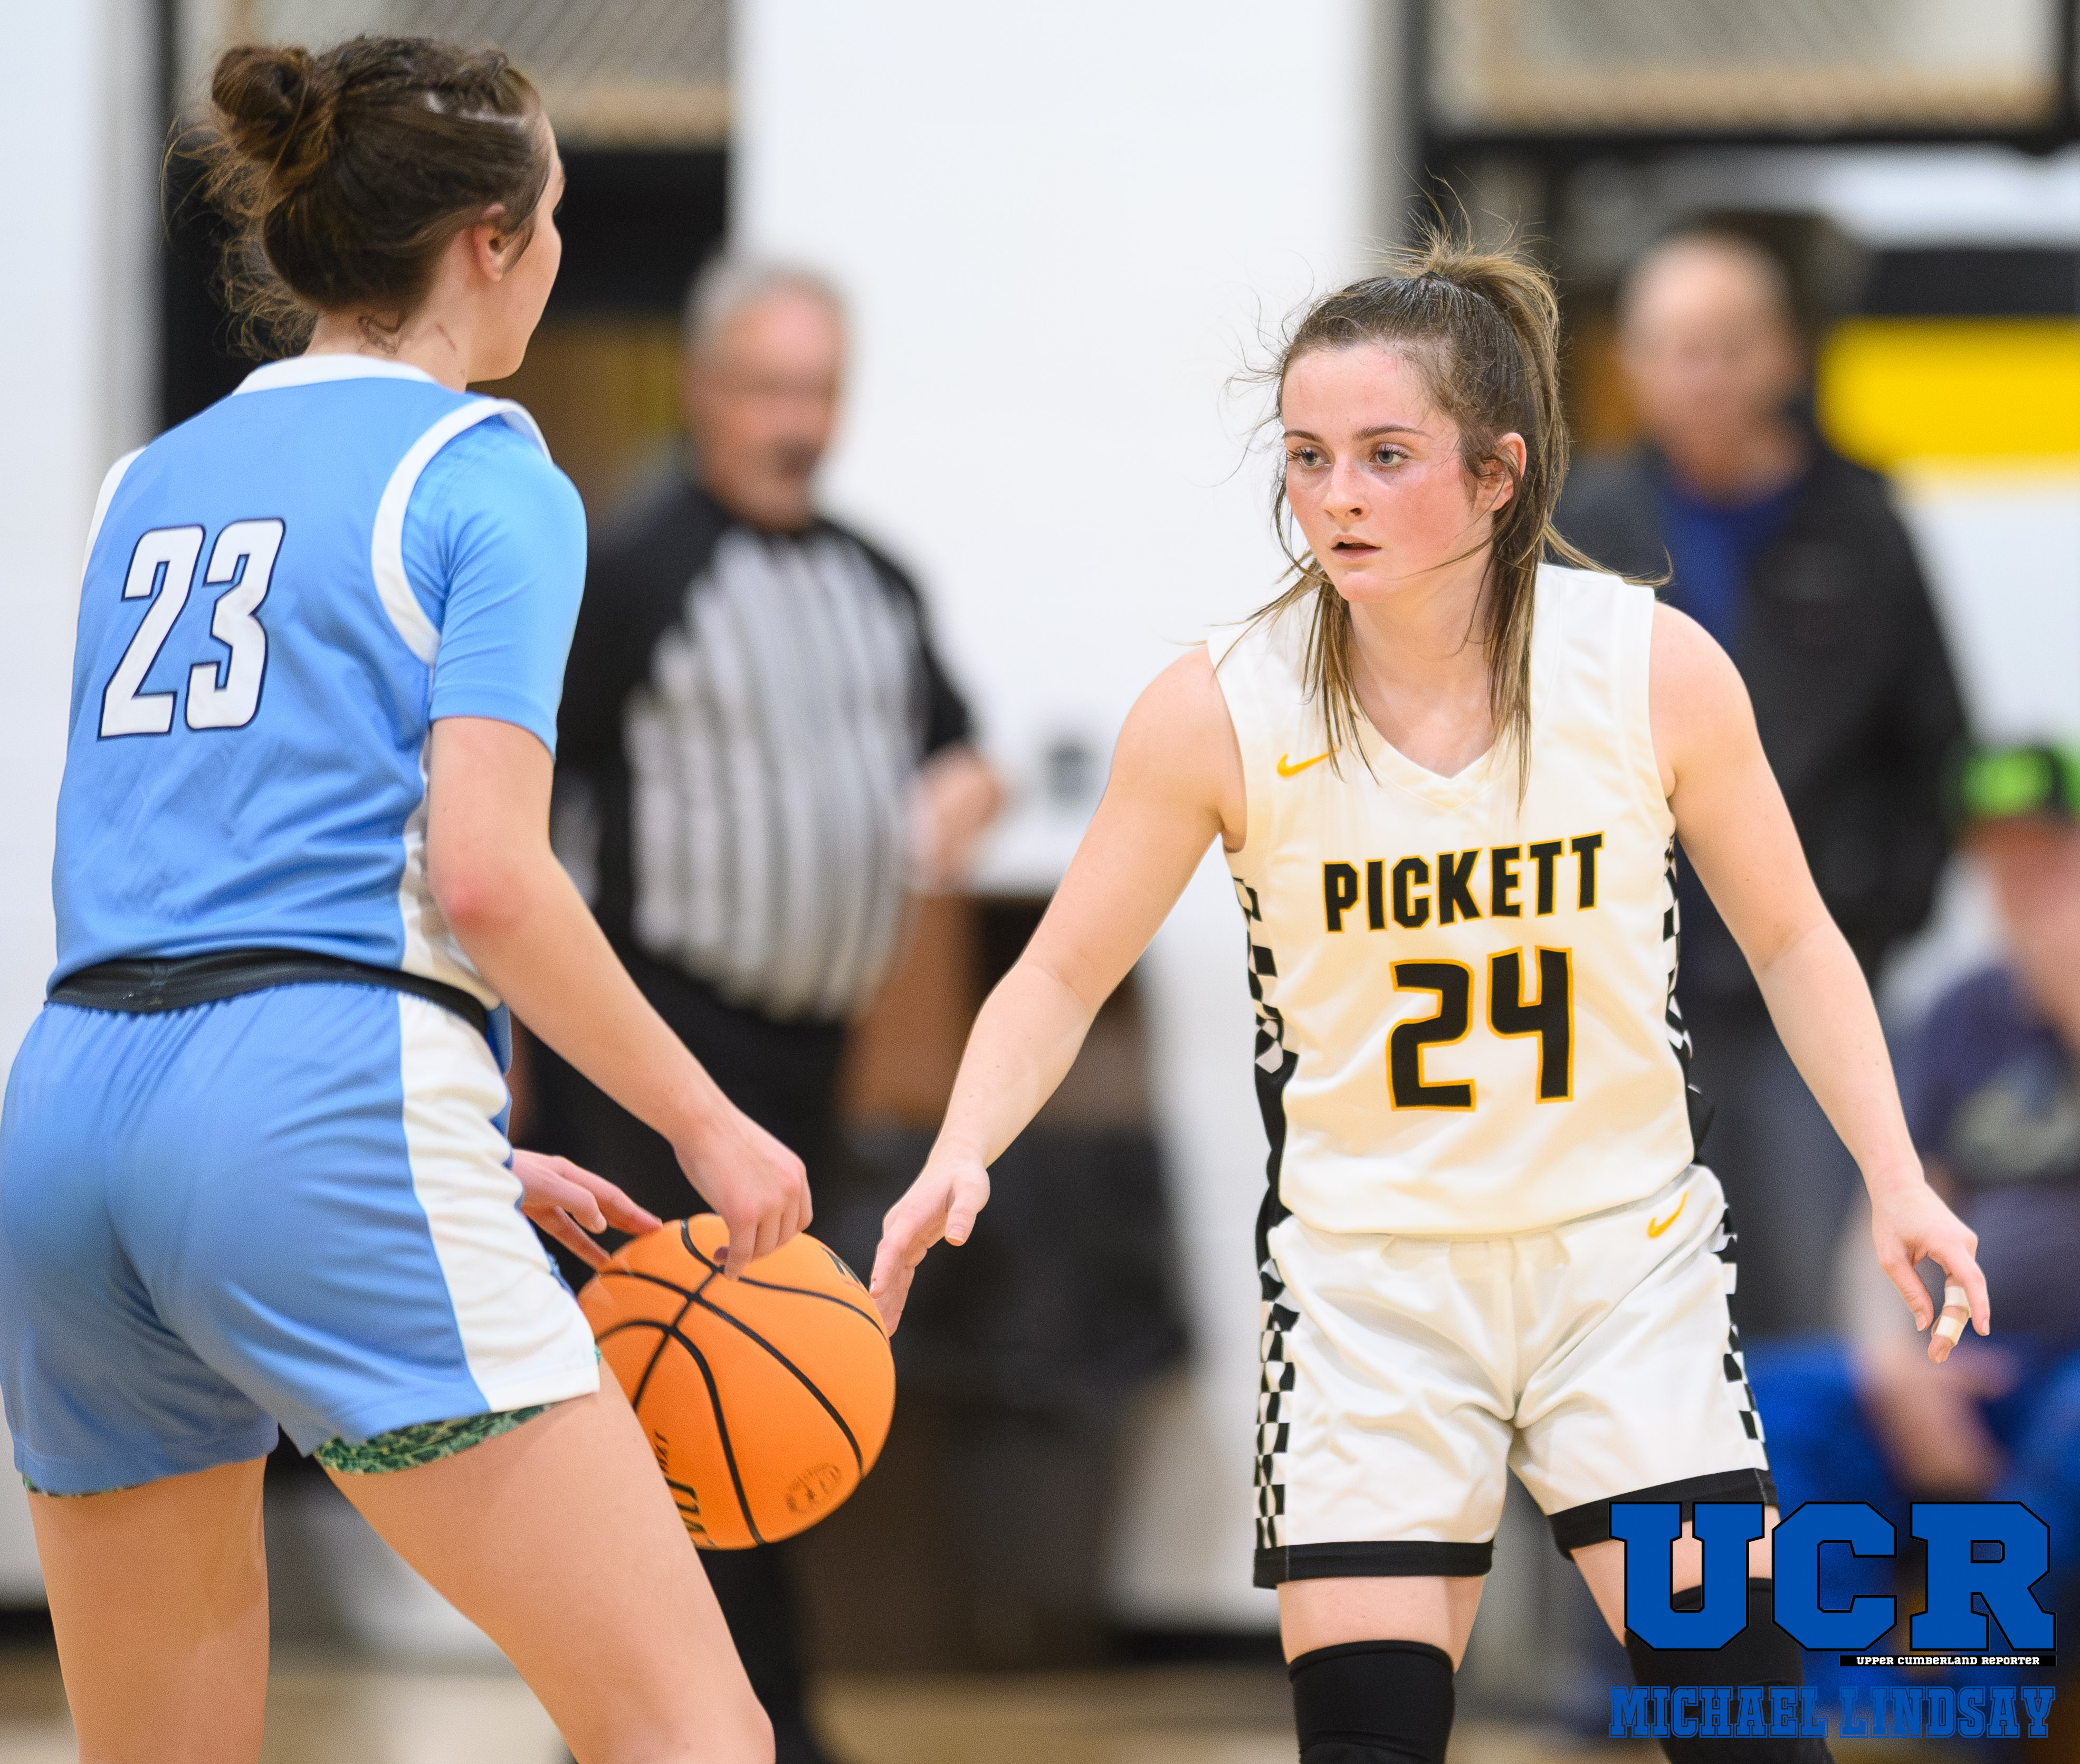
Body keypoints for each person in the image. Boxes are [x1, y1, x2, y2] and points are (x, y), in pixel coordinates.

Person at [869, 235, 1988, 1764]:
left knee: (1742, 1734)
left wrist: (1896, 1177)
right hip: (1371, 1297)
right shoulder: (1217, 708)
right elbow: (1061, 966)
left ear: (1495, 475)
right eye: (1307, 456)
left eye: (1384, 456)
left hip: (1621, 1273)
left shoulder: (1646, 669)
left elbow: (1794, 941)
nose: (1335, 495)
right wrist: (961, 1146)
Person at [0, 37, 805, 1764]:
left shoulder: (145, 482)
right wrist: (707, 1125)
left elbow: (202, 867)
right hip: (313, 1109)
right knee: (693, 1734)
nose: (563, 252)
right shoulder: (484, 471)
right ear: (487, 240)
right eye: (557, 218)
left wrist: (458, 1146)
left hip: (69, 1120)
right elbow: (491, 878)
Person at [528, 254, 1000, 1762]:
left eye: (819, 391)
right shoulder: (633, 567)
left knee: (772, 1395)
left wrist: (963, 788)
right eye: (768, 390)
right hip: (660, 1055)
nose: (797, 423)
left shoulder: (874, 577)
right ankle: (676, 1724)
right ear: (705, 390)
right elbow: (521, 809)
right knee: (678, 1397)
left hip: (810, 1053)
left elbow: (956, 744)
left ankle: (758, 1717)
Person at [1556, 230, 1967, 1340]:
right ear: (1629, 362)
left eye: (1727, 346)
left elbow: (1934, 744)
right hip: (1623, 996)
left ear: (1784, 353)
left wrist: (1874, 913)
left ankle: (1809, 1466)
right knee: (1632, 1304)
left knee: (1824, 1296)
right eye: (1673, 348)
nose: (1701, 376)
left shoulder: (1861, 523)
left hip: (1814, 981)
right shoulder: (1581, 528)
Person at [1748, 740, 2080, 1706]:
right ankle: (1829, 1717)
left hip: (2068, 1377)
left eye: (2047, 856)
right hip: (1968, 1360)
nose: (2020, 884)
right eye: (1999, 860)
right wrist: (1895, 1365)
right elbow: (1886, 1217)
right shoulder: (1964, 1014)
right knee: (1765, 1409)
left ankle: (1969, 1714)